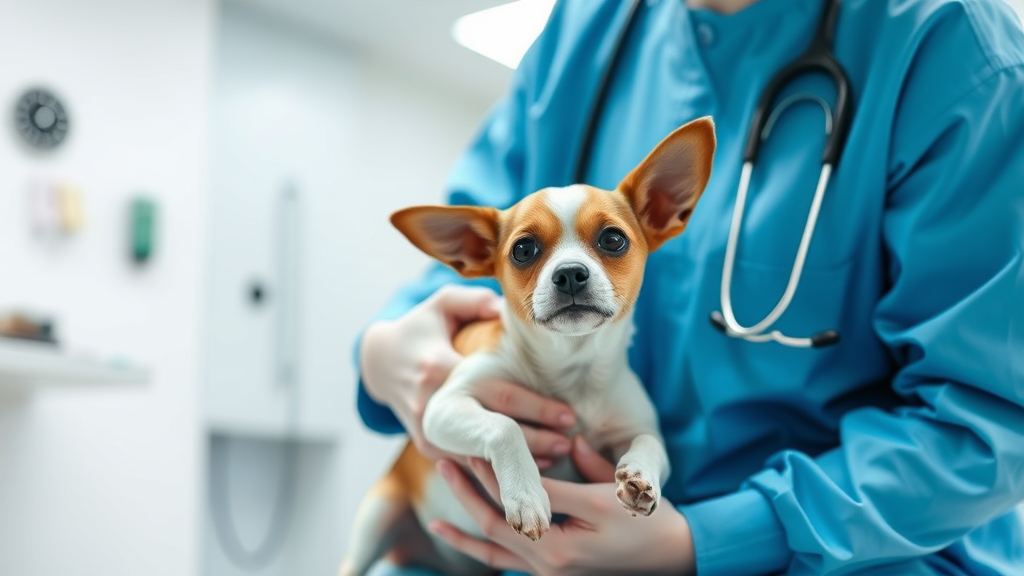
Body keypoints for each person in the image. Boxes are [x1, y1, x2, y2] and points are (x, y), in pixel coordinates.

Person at [355, 0, 1024, 574]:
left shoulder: (954, 51)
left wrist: (711, 539)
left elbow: (985, 421)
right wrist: (387, 352)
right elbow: (465, 262)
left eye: (609, 241)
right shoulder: (585, 31)